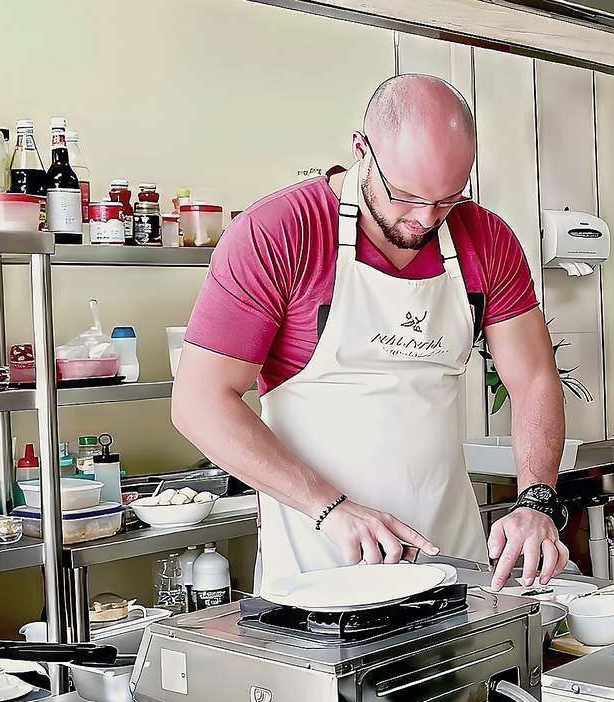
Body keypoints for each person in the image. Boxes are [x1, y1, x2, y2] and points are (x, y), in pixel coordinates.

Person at [172, 74, 570, 594]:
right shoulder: (280, 231)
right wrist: (329, 508)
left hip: (452, 556)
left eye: (448, 198)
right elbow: (199, 403)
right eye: (406, 195)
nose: (425, 219)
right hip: (321, 563)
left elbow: (535, 378)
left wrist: (535, 499)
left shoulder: (486, 238)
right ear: (361, 149)